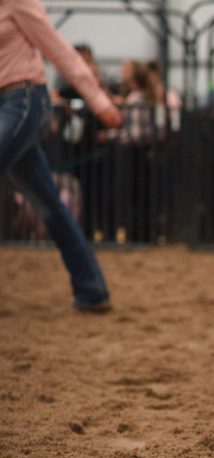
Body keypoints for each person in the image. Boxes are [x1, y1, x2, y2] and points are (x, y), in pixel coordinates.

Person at [1, 0, 122, 312]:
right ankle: (92, 289)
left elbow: (58, 50)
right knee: (49, 203)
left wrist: (99, 102)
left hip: (23, 99)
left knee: (48, 202)